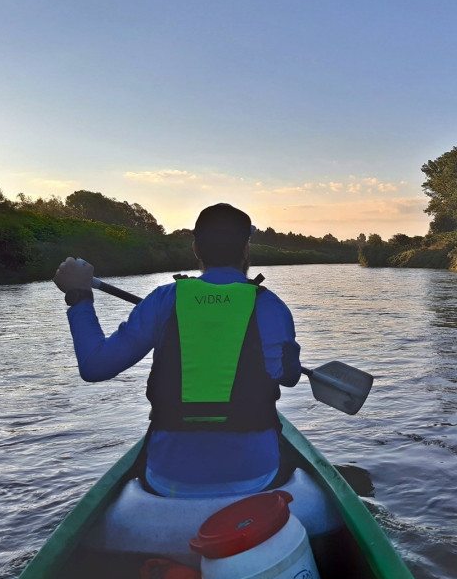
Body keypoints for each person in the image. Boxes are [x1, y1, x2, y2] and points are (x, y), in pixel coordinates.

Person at [52, 203, 301, 498]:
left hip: (168, 477)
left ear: (196, 248)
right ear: (246, 250)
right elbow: (287, 377)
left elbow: (95, 366)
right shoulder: (272, 307)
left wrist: (79, 296)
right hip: (257, 476)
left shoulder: (163, 300)